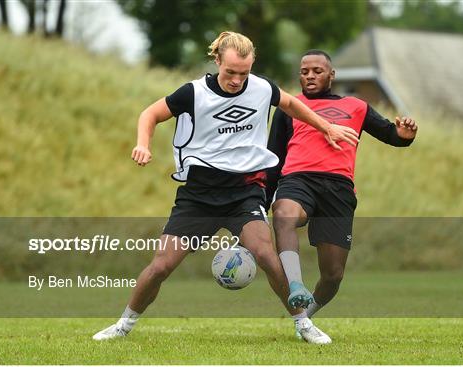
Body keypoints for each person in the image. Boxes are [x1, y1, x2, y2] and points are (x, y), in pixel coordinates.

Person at [93, 33, 359, 344]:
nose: (236, 80)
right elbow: (149, 114)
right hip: (198, 197)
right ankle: (123, 325)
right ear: (217, 61)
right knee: (161, 266)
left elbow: (291, 104)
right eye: (230, 72)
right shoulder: (193, 93)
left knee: (267, 256)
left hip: (243, 193)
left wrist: (326, 126)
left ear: (252, 66)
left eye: (243, 73)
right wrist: (143, 144)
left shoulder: (262, 88)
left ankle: (303, 324)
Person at [266, 50, 418, 340]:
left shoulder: (357, 106)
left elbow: (390, 134)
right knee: (284, 214)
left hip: (338, 189)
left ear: (331, 75)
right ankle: (295, 286)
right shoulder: (290, 107)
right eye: (304, 71)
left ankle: (304, 319)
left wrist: (405, 135)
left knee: (333, 276)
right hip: (297, 179)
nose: (310, 76)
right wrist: (263, 200)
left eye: (317, 71)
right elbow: (274, 158)